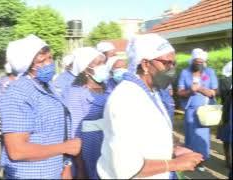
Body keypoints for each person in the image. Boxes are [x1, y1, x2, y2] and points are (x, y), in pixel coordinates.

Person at [97, 34, 203, 179]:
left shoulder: (152, 92)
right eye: (167, 63)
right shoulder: (125, 99)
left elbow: (143, 139)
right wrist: (175, 164)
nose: (171, 69)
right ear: (145, 64)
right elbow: (125, 166)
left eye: (174, 64)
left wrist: (171, 149)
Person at [0, 34, 81, 179]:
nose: (49, 64)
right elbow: (17, 150)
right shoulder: (18, 93)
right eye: (42, 61)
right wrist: (65, 147)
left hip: (55, 172)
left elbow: (57, 132)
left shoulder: (48, 87)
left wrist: (65, 166)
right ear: (27, 64)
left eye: (50, 58)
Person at [63, 47, 109, 179]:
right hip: (89, 147)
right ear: (86, 69)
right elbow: (74, 132)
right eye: (98, 63)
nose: (103, 66)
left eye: (103, 63)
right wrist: (80, 166)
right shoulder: (76, 92)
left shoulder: (107, 87)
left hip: (108, 143)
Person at [177, 48, 218, 171]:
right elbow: (179, 92)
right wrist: (190, 91)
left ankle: (201, 160)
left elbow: (214, 91)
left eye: (201, 62)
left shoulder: (209, 72)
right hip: (190, 110)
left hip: (205, 111)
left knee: (202, 135)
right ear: (192, 61)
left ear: (204, 62)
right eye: (196, 61)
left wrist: (200, 89)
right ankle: (190, 158)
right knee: (190, 135)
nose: (198, 63)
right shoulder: (185, 73)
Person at [217, 60, 232, 169]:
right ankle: (228, 160)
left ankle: (227, 160)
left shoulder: (223, 80)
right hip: (227, 111)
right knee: (227, 137)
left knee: (226, 139)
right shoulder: (225, 80)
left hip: (226, 112)